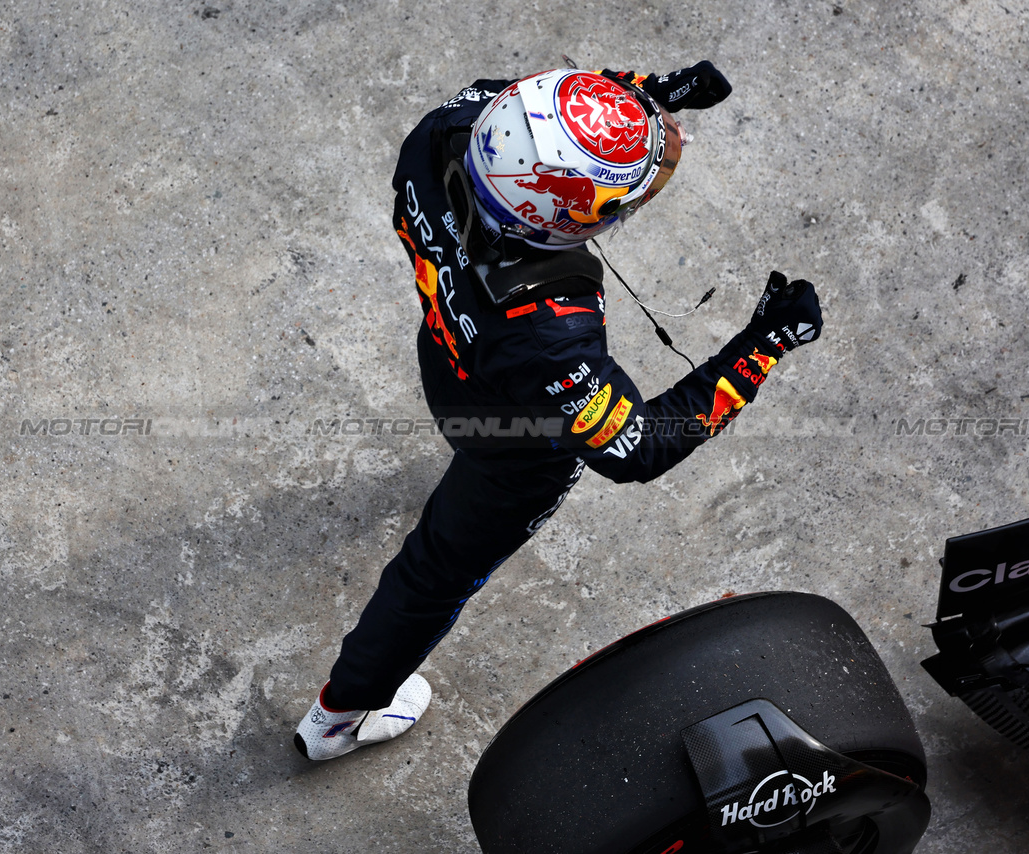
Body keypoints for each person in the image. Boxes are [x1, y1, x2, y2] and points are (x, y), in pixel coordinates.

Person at [294, 62, 823, 760]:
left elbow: (530, 108)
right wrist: (766, 342)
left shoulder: (443, 130)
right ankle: (340, 716)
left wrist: (641, 98)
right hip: (512, 439)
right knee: (434, 576)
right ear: (574, 219)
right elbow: (636, 449)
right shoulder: (549, 332)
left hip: (447, 358)